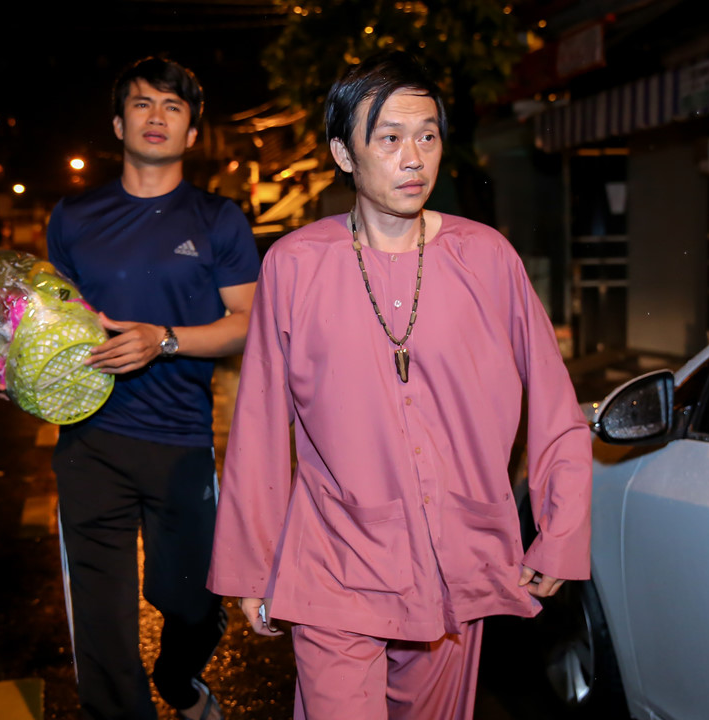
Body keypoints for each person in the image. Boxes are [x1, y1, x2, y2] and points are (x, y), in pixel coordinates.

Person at [207, 50, 592, 719]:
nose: (413, 158)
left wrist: (561, 530)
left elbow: (555, 404)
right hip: (334, 557)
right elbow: (261, 423)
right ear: (344, 153)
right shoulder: (294, 265)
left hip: (457, 555)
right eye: (389, 139)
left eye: (427, 136)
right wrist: (251, 564)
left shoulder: (487, 259)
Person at [0, 56, 259, 720]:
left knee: (191, 599)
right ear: (119, 124)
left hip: (181, 440)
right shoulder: (74, 217)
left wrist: (166, 339)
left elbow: (248, 321)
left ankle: (180, 679)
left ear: (191, 133)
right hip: (90, 438)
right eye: (142, 103)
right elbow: (46, 317)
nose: (156, 116)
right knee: (101, 619)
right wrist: (1, 358)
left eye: (173, 107)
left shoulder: (218, 219)